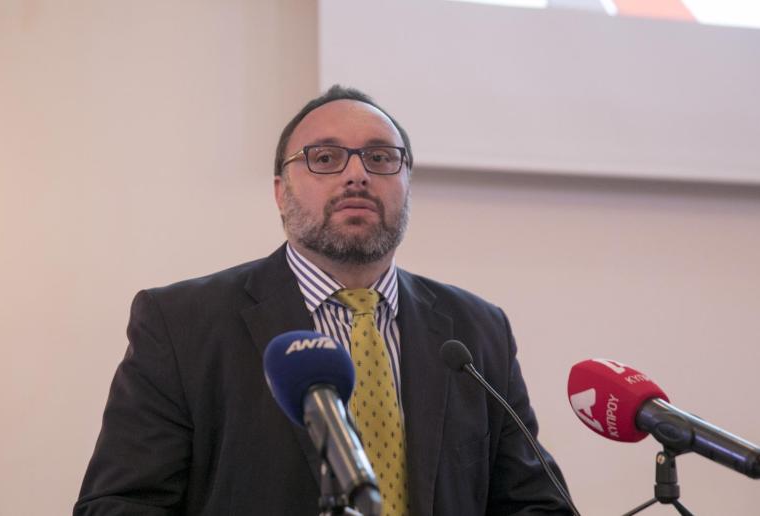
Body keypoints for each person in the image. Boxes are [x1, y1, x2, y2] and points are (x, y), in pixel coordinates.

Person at [75, 85, 572, 515]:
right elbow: (121, 504)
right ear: (280, 191)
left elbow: (535, 503)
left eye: (381, 158)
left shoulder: (476, 331)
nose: (357, 175)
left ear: (407, 184)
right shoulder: (181, 324)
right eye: (325, 158)